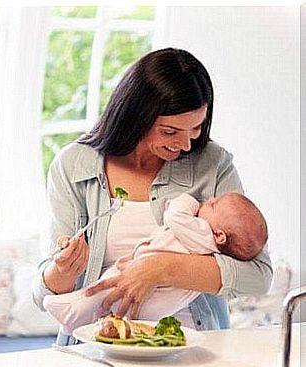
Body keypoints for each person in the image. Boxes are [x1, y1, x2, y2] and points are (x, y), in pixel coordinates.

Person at [32, 47, 273, 346]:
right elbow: (42, 294)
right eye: (170, 131)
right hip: (98, 348)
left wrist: (159, 268)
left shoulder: (212, 164)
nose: (186, 144)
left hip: (195, 349)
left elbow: (259, 276)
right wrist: (63, 270)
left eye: (196, 128)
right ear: (135, 117)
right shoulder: (74, 166)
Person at [42, 192, 268, 334]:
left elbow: (174, 215)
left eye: (214, 205)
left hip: (143, 278)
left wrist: (188, 199)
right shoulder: (213, 248)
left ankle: (71, 311)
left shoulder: (202, 231)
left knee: (102, 290)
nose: (209, 199)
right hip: (167, 302)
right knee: (113, 308)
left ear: (219, 236)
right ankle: (86, 319)